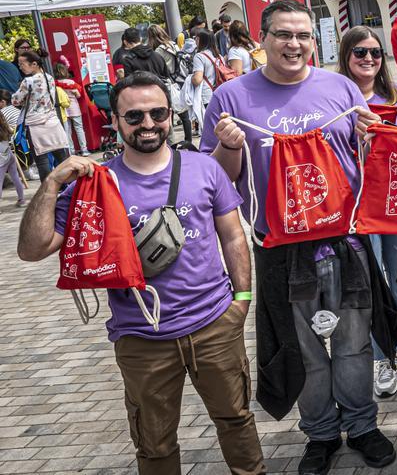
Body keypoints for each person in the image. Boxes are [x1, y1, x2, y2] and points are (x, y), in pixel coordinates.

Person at [17, 72, 265, 474]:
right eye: (134, 116)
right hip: (141, 336)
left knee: (236, 420)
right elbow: (31, 250)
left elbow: (234, 236)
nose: (148, 124)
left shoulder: (204, 168)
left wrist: (241, 301)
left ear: (170, 115)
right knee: (154, 443)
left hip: (215, 325)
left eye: (157, 113)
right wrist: (50, 183)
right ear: (114, 120)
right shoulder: (95, 184)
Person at [203, 0, 397, 475]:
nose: (294, 44)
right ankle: (321, 434)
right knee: (305, 349)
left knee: (353, 343)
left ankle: (363, 425)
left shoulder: (342, 88)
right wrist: (229, 146)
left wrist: (373, 136)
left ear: (315, 40)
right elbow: (219, 179)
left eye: (304, 35)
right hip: (280, 247)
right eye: (283, 35)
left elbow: (370, 160)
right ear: (261, 40)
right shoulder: (231, 98)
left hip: (345, 239)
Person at [335, 26, 397, 400]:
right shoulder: (335, 97)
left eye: (374, 52)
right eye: (359, 52)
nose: (368, 59)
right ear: (346, 56)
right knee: (370, 281)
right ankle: (386, 354)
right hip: (355, 201)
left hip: (395, 199)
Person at [12, 51, 71, 181]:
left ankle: (48, 191)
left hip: (35, 125)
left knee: (42, 161)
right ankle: (71, 187)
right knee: (62, 158)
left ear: (34, 64)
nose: (20, 66)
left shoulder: (28, 81)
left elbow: (15, 100)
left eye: (22, 64)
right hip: (53, 122)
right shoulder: (49, 77)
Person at [187, 30, 222, 132]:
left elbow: (197, 79)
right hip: (219, 93)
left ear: (201, 40)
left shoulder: (199, 56)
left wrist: (191, 78)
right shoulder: (218, 55)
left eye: (196, 39)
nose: (195, 41)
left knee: (211, 127)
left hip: (207, 95)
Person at [54, 63, 87, 156]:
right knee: (79, 128)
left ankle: (71, 151)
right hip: (74, 108)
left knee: (67, 131)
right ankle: (84, 149)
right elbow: (78, 95)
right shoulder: (71, 82)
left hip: (63, 110)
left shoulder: (55, 83)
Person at [0, 111, 24, 207]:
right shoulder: (5, 127)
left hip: (1, 160)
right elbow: (13, 131)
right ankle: (21, 199)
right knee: (15, 177)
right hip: (9, 155)